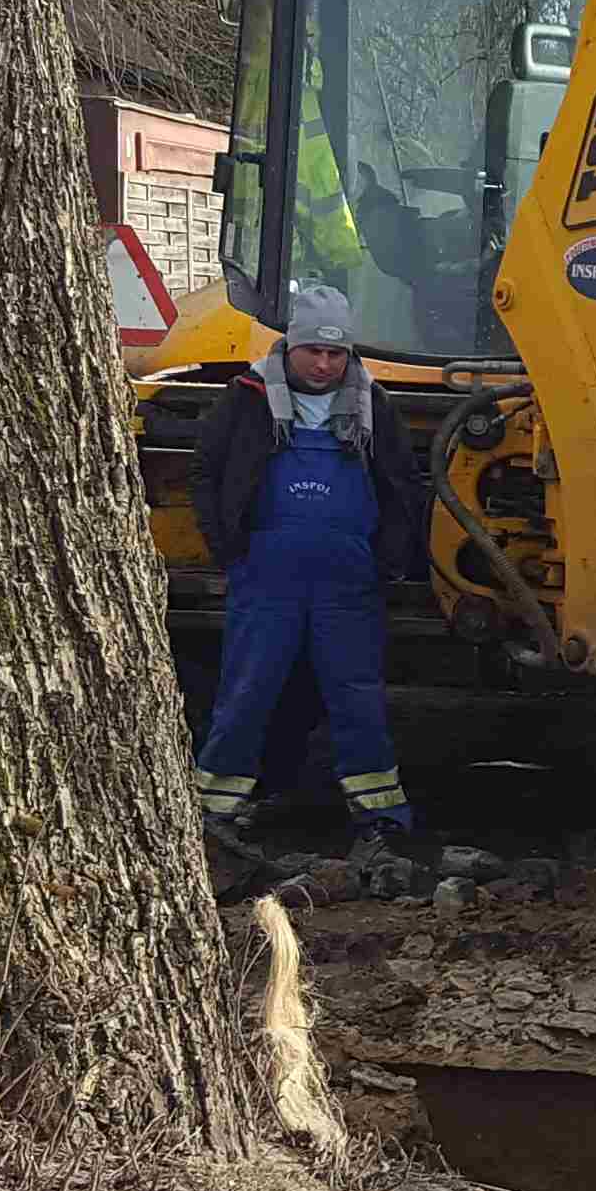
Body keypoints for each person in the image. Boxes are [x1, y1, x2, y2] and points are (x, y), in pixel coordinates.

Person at [187, 285, 423, 853]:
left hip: (348, 585)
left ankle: (379, 817)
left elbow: (403, 489)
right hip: (266, 579)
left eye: (336, 354)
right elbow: (205, 475)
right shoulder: (243, 400)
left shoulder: (376, 405)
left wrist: (387, 560)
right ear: (289, 346)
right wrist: (230, 551)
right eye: (313, 351)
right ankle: (215, 814)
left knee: (356, 696)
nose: (323, 364)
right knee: (247, 690)